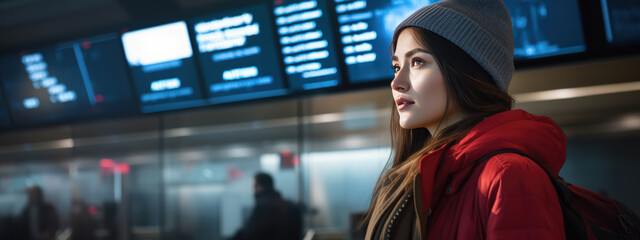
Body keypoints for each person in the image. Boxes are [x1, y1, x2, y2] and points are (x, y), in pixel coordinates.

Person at [362, 0, 566, 239]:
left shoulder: (508, 174)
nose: (397, 83)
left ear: (465, 70)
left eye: (417, 62)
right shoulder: (427, 176)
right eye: (396, 67)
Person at [231, 172, 301, 240]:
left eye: (253, 187)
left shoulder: (262, 208)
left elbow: (249, 233)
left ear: (257, 186)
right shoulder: (288, 205)